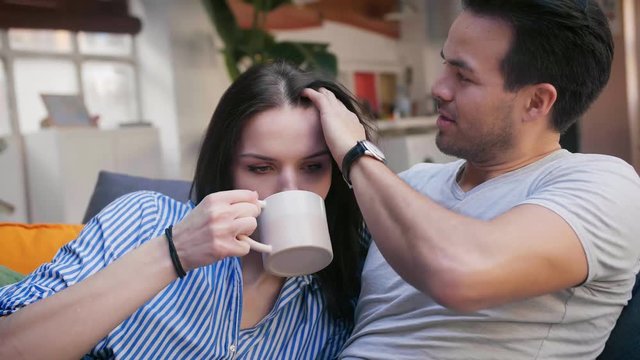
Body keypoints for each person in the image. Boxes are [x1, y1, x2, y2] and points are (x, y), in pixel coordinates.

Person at [303, 0, 640, 359]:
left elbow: (459, 273)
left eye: (463, 76)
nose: (439, 88)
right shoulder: (414, 182)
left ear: (536, 102)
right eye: (446, 64)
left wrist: (357, 153)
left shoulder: (605, 185)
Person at [0, 61, 373, 359]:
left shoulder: (348, 287)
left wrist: (360, 155)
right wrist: (172, 252)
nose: (290, 190)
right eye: (261, 168)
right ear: (225, 166)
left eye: (314, 167)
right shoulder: (144, 220)